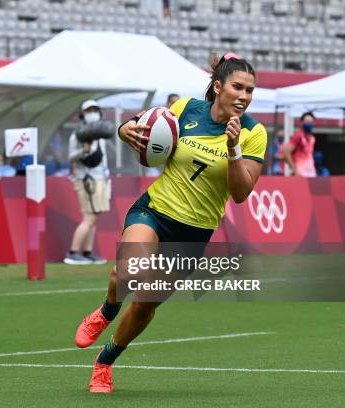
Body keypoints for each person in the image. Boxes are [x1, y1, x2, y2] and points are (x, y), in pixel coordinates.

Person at [74, 53, 267, 393]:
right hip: (155, 210)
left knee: (146, 303)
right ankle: (105, 311)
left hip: (194, 232)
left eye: (250, 91)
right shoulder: (185, 109)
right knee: (129, 272)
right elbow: (137, 127)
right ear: (218, 87)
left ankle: (104, 362)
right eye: (238, 87)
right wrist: (124, 130)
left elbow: (241, 192)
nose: (244, 96)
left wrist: (234, 149)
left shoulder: (254, 133)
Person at [64, 100, 111, 265]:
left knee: (94, 218)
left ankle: (87, 251)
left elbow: (104, 159)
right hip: (86, 179)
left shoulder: (101, 136)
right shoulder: (77, 135)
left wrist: (107, 177)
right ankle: (73, 252)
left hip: (100, 178)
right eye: (89, 110)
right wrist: (83, 151)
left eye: (95, 109)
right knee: (88, 218)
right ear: (82, 113)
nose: (93, 113)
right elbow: (70, 157)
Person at [283, 112, 316, 177]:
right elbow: (286, 153)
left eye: (311, 122)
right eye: (307, 121)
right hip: (300, 173)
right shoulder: (298, 136)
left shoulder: (312, 138)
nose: (309, 124)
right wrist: (295, 170)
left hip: (311, 173)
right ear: (302, 122)